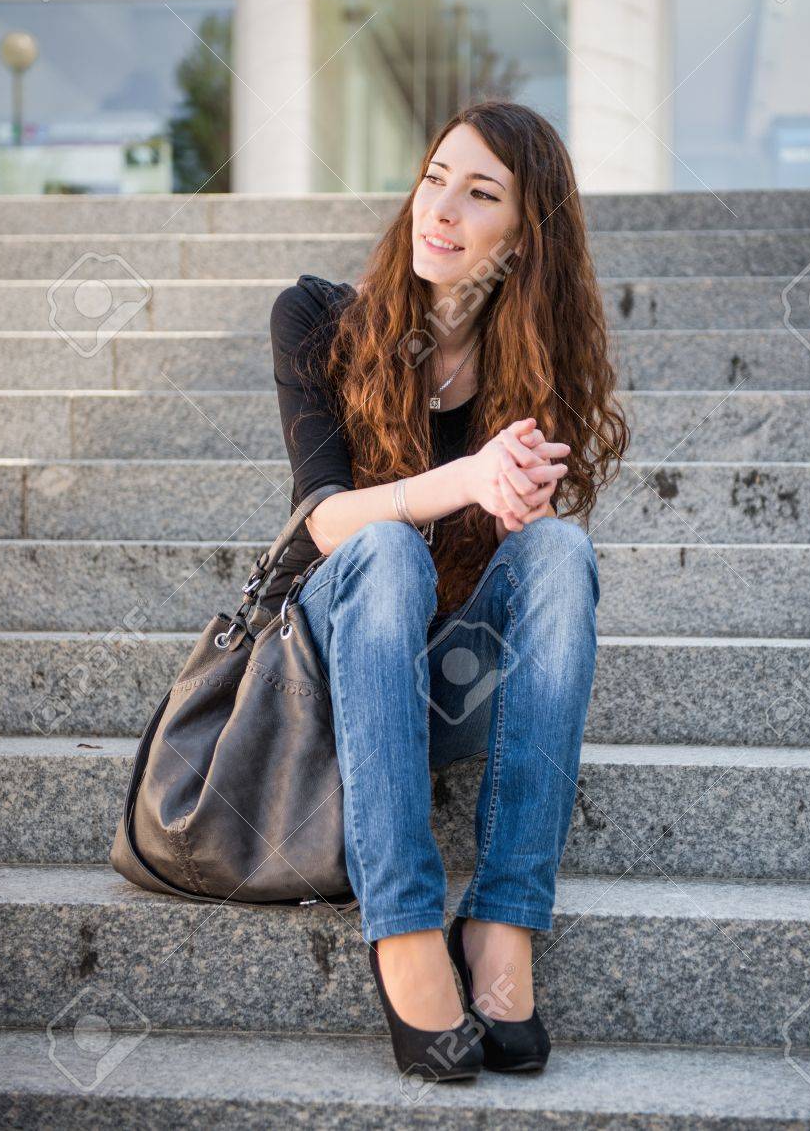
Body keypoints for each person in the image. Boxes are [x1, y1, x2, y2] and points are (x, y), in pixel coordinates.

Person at [261, 100, 628, 1081]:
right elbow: (320, 522)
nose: (443, 209)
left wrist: (517, 516)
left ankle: (503, 920)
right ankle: (406, 924)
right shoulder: (317, 319)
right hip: (334, 679)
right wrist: (463, 481)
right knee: (382, 550)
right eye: (436, 178)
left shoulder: (531, 369)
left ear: (525, 231)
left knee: (560, 556)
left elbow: (526, 597)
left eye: (481, 193)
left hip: (432, 693)